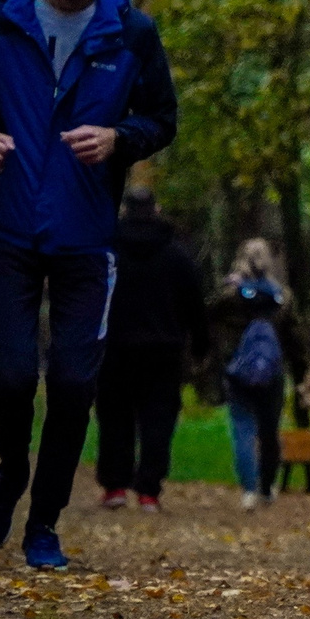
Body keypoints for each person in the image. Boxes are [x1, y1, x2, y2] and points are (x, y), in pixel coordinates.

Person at [0, 0, 178, 570]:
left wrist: (119, 136)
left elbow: (162, 116)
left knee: (74, 383)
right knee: (14, 377)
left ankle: (43, 521)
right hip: (9, 226)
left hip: (86, 234)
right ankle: (11, 469)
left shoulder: (132, 31)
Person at [96, 188, 210, 511]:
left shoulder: (108, 252)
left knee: (115, 417)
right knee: (158, 419)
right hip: (163, 351)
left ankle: (115, 486)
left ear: (124, 211)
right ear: (156, 210)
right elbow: (195, 304)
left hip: (115, 348)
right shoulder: (176, 256)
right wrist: (200, 346)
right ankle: (148, 490)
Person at [210, 239, 305, 509]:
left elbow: (210, 316)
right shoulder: (282, 296)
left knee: (242, 428)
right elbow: (295, 339)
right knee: (269, 430)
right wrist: (300, 373)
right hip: (272, 372)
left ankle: (249, 489)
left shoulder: (230, 295)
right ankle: (267, 488)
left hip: (238, 371)